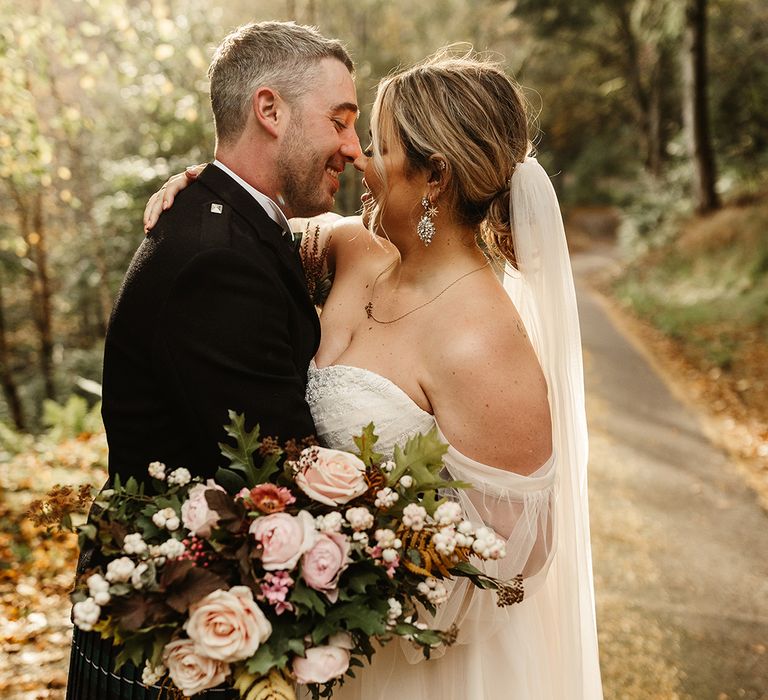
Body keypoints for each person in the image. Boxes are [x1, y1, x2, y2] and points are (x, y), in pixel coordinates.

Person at [147, 49, 603, 699]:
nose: (359, 156)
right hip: (303, 646)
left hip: (411, 669)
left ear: (435, 177)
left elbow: (518, 556)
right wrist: (200, 192)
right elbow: (246, 233)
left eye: (381, 145)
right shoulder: (348, 248)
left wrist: (346, 577)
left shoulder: (483, 342)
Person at [66, 21, 362, 700]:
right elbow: (281, 471)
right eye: (339, 121)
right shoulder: (216, 259)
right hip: (174, 640)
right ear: (269, 109)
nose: (353, 146)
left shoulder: (236, 221)